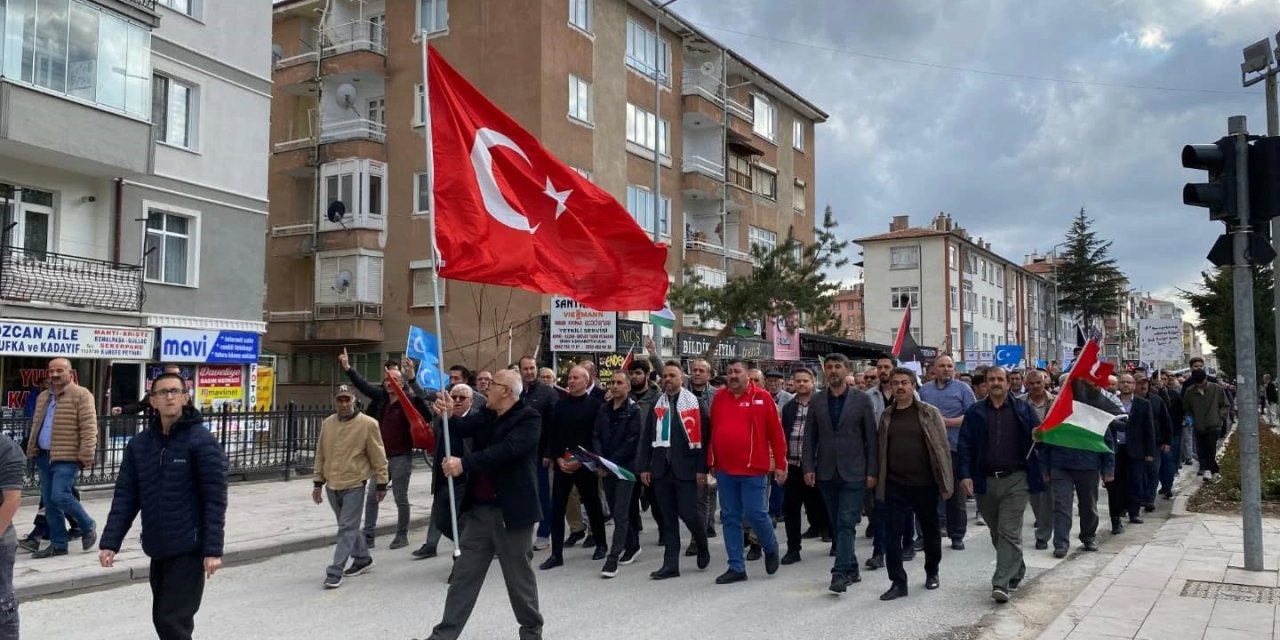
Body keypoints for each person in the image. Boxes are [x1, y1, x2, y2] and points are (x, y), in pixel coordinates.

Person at [99, 372, 228, 639]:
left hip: (189, 547)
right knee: (164, 618)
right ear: (152, 401)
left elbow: (215, 499)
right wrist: (111, 542)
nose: (169, 397)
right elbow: (126, 496)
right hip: (158, 547)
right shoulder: (139, 445)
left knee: (172, 620)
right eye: (162, 392)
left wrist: (213, 550)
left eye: (175, 391)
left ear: (185, 398)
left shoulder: (201, 442)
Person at [425, 370, 544, 640]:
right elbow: (460, 428)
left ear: (506, 391)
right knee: (463, 577)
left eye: (492, 384)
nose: (486, 388)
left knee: (519, 581)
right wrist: (447, 415)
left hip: (511, 514)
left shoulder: (529, 418)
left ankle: (531, 632)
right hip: (479, 512)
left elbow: (507, 451)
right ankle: (443, 636)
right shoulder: (488, 415)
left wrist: (464, 464)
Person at [957, 366, 1045, 603]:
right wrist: (965, 475)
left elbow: (1039, 439)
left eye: (1000, 379)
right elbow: (965, 445)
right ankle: (1016, 568)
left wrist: (1040, 436)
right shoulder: (975, 412)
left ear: (1008, 383)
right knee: (997, 532)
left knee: (1008, 531)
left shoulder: (1023, 409)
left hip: (1016, 480)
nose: (995, 383)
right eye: (991, 379)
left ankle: (1001, 583)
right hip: (985, 481)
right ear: (985, 383)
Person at [803, 353, 878, 593]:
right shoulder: (817, 400)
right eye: (829, 367)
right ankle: (852, 568)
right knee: (837, 523)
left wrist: (872, 471)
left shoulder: (862, 400)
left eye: (838, 366)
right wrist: (808, 467)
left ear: (847, 370)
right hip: (826, 471)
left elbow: (871, 438)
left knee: (846, 521)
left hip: (854, 471)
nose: (833, 371)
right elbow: (809, 436)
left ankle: (840, 572)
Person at [339, 349, 427, 551]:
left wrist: (412, 378)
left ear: (402, 383)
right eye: (387, 379)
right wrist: (348, 368)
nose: (389, 383)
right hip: (381, 458)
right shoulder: (382, 399)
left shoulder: (409, 401)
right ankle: (368, 536)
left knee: (400, 497)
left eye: (394, 379)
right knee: (372, 497)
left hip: (401, 456)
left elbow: (425, 412)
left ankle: (401, 535)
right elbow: (364, 386)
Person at [876, 368, 952, 601]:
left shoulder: (929, 412)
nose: (900, 387)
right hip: (895, 484)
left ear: (913, 386)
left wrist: (946, 481)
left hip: (925, 484)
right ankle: (898, 582)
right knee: (892, 535)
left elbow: (942, 448)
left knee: (930, 531)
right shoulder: (886, 416)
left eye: (904, 383)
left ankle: (932, 571)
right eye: (895, 383)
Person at [709, 359, 787, 585]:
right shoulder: (720, 398)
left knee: (755, 513)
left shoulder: (762, 397)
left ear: (747, 375)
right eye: (729, 372)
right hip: (725, 469)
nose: (733, 375)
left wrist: (780, 464)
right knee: (730, 517)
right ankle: (736, 567)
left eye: (737, 371)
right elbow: (713, 430)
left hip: (754, 468)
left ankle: (770, 546)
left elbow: (776, 434)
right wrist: (711, 459)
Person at [638, 362, 712, 579]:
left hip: (687, 470)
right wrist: (644, 466)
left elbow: (704, 439)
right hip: (662, 470)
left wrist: (702, 469)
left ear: (682, 379)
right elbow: (647, 437)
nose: (667, 379)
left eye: (672, 375)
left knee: (689, 514)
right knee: (668, 518)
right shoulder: (657, 404)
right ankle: (671, 565)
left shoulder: (695, 404)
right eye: (665, 376)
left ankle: (701, 542)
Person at [312, 385, 388, 588]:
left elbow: (378, 455)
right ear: (335, 401)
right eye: (340, 400)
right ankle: (363, 558)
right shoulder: (328, 423)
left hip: (355, 482)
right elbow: (320, 453)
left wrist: (381, 483)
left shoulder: (368, 424)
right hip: (332, 483)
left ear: (354, 400)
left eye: (347, 399)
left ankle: (335, 571)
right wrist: (318, 482)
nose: (344, 404)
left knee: (346, 527)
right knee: (349, 527)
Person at [27, 357, 98, 559]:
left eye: (60, 370)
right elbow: (37, 424)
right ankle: (59, 544)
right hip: (43, 456)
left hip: (67, 456)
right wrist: (31, 447)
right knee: (49, 503)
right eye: (51, 371)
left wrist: (86, 455)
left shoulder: (82, 395)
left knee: (60, 495)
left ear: (70, 372)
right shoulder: (44, 396)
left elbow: (89, 427)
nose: (55, 374)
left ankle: (87, 524)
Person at [538, 367, 607, 570]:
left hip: (585, 463)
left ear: (586, 381)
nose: (571, 381)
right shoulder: (560, 405)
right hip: (563, 463)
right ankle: (556, 554)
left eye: (576, 378)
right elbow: (554, 434)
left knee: (592, 504)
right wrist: (557, 457)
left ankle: (601, 544)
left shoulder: (595, 406)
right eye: (569, 378)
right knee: (558, 508)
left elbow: (596, 436)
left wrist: (584, 459)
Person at [1042, 375, 1115, 556]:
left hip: (1088, 464)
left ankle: (1088, 536)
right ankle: (1061, 543)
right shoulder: (1056, 408)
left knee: (1088, 505)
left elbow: (1106, 440)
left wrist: (1108, 468)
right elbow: (1046, 439)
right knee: (1061, 506)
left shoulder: (1094, 409)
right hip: (1060, 464)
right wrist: (1045, 468)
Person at [918, 354, 977, 551]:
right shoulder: (925, 390)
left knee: (955, 496)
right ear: (934, 369)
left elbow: (972, 416)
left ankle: (957, 535)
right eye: (942, 366)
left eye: (949, 366)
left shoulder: (963, 389)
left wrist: (946, 422)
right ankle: (926, 535)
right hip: (929, 449)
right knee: (926, 495)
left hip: (954, 449)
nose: (946, 369)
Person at [414, 384, 477, 559]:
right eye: (454, 397)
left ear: (471, 401)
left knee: (461, 523)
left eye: (462, 398)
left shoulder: (475, 420)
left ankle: (461, 559)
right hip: (443, 480)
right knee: (441, 521)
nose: (457, 401)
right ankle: (471, 545)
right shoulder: (441, 418)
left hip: (464, 482)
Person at [594, 371, 643, 577]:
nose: (614, 386)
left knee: (621, 513)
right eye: (612, 382)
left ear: (628, 387)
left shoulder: (634, 411)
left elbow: (631, 441)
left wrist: (611, 463)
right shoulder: (603, 409)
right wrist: (600, 460)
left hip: (624, 469)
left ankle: (612, 558)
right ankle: (633, 545)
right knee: (615, 510)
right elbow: (596, 435)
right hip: (606, 467)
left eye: (619, 383)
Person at [779, 368, 829, 565]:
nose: (801, 384)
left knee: (823, 504)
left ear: (813, 381)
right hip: (793, 465)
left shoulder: (823, 403)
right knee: (791, 508)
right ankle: (793, 549)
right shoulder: (789, 407)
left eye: (805, 381)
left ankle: (832, 537)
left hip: (817, 465)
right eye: (798, 381)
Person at [518, 356, 559, 552]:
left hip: (540, 453)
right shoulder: (515, 391)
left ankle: (544, 533)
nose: (529, 372)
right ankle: (519, 537)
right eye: (525, 369)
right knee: (520, 495)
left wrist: (549, 453)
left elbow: (553, 426)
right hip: (517, 453)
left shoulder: (548, 393)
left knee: (543, 495)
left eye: (532, 368)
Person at [1022, 370, 1056, 551]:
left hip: (1051, 454)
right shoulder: (1019, 403)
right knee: (1035, 496)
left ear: (1045, 382)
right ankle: (1041, 522)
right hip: (1028, 454)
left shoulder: (1056, 402)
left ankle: (1043, 535)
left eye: (1038, 382)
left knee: (1048, 497)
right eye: (1032, 383)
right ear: (1026, 384)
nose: (1036, 386)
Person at [1183, 368, 1229, 482]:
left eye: (1201, 382)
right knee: (1202, 449)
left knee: (1210, 447)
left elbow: (1225, 404)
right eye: (1197, 382)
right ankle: (1214, 470)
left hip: (1214, 424)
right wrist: (1189, 418)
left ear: (1206, 379)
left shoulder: (1216, 388)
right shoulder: (1190, 392)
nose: (1200, 385)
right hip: (1199, 425)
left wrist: (1219, 416)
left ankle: (1207, 469)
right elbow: (1187, 408)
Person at [111, 364, 185, 415]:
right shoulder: (155, 392)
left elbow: (188, 410)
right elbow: (140, 406)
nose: (177, 376)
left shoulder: (183, 392)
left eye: (178, 374)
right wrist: (123, 409)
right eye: (173, 374)